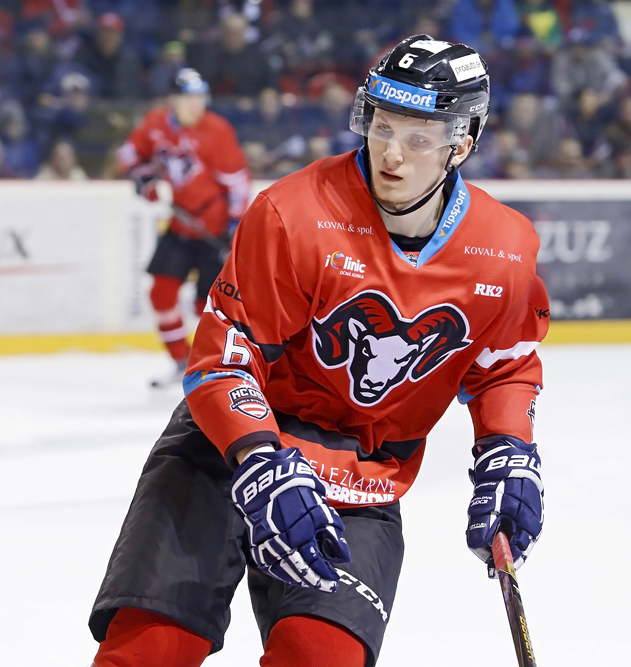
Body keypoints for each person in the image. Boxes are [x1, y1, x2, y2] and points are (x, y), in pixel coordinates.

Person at [89, 35, 549, 667]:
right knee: (148, 653)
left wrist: (509, 449)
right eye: (382, 127)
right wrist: (258, 459)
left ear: (461, 144)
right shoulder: (293, 213)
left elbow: (504, 365)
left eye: (418, 138)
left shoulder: (505, 248)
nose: (391, 153)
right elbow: (226, 358)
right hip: (231, 450)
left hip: (358, 476)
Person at [116, 67, 250, 386]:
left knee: (207, 306)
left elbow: (237, 182)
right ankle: (181, 361)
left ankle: (215, 367)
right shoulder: (156, 125)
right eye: (188, 98)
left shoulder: (217, 131)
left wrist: (234, 227)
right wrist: (145, 178)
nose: (195, 105)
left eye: (200, 97)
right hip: (180, 225)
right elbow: (129, 154)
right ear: (172, 100)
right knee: (161, 293)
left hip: (215, 231)